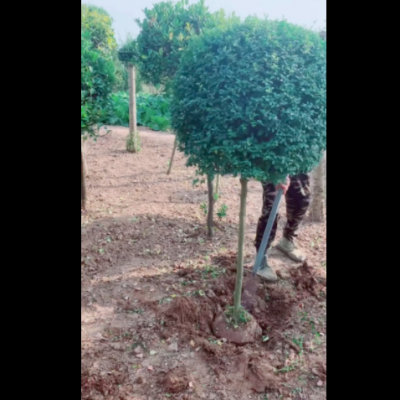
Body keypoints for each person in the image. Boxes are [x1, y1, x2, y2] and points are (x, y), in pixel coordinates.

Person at [255, 173, 311, 281]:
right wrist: (279, 173)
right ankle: (260, 257)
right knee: (271, 208)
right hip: (273, 161)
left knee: (302, 199)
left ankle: (287, 240)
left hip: (297, 159)